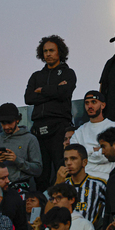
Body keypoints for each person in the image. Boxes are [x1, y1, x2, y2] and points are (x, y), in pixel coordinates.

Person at [25, 35, 77, 191]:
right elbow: (29, 98)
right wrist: (55, 89)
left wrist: (43, 90)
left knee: (62, 168)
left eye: (51, 50)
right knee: (41, 174)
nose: (48, 54)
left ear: (59, 52)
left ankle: (64, 204)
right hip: (38, 129)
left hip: (59, 128)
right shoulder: (36, 76)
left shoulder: (68, 73)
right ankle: (42, 208)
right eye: (45, 51)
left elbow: (65, 92)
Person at [0, 103, 42, 191]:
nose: (6, 126)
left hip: (22, 187)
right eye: (3, 123)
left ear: (17, 120)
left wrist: (17, 160)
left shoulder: (30, 139)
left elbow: (38, 169)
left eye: (9, 122)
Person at [70, 91, 115, 180]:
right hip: (85, 177)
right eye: (87, 103)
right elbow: (75, 156)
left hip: (108, 176)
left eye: (94, 102)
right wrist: (95, 150)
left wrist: (86, 153)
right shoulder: (79, 131)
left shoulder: (112, 127)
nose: (90, 106)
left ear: (103, 105)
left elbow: (112, 154)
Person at [56, 144, 106, 226]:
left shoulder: (99, 185)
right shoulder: (62, 183)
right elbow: (48, 211)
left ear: (84, 162)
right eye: (66, 159)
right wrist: (58, 184)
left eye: (73, 158)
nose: (68, 163)